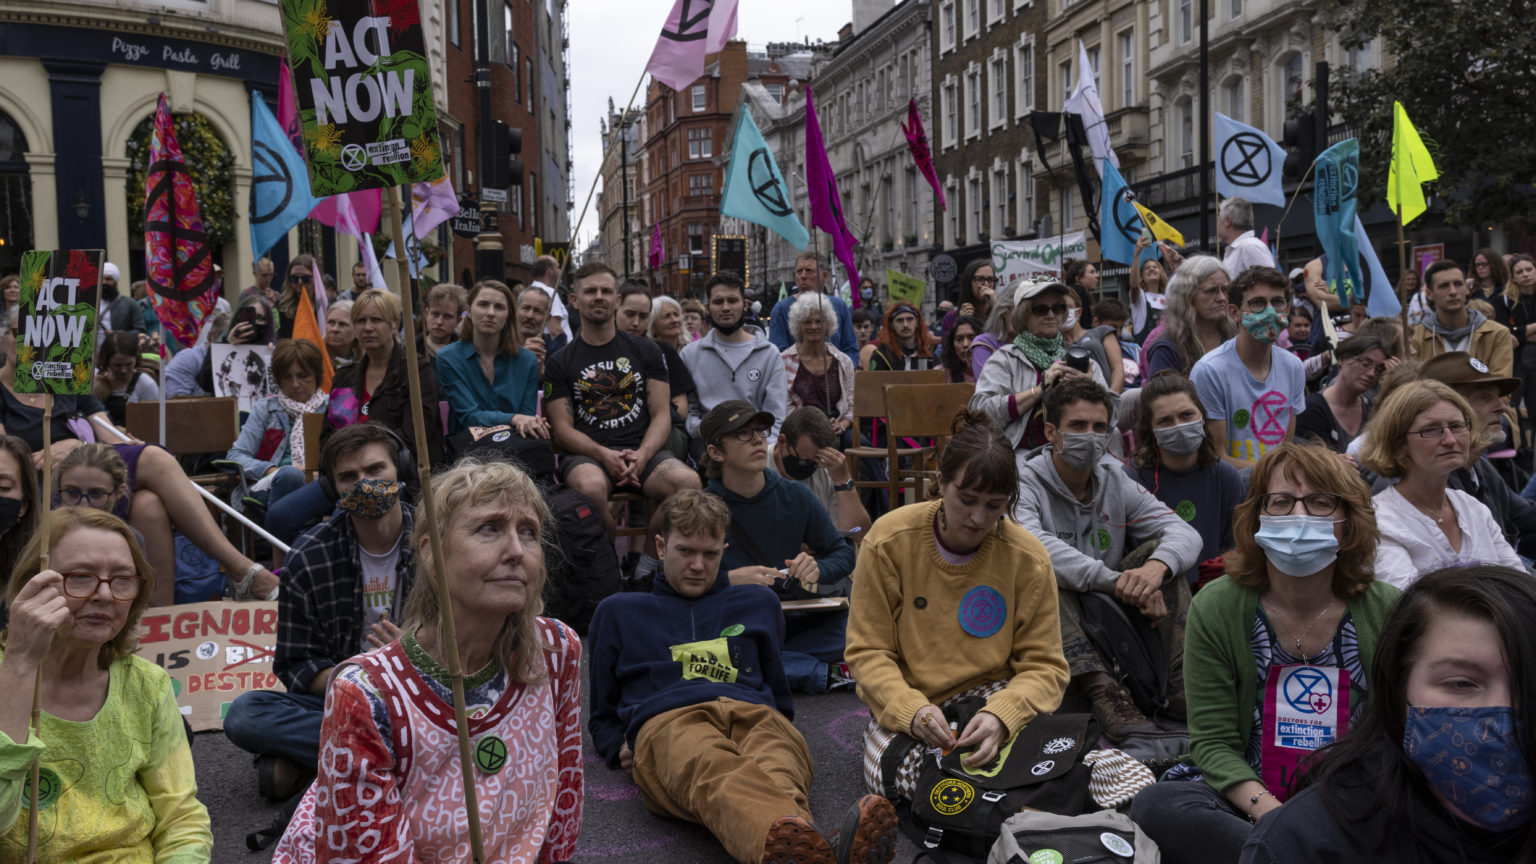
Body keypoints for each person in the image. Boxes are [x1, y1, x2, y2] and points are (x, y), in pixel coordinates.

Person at [273, 458, 582, 862]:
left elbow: (561, 813)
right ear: (431, 553)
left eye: (529, 532)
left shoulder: (557, 652)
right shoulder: (365, 694)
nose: (516, 550)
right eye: (489, 527)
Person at [588, 489, 898, 864]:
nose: (698, 565)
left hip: (755, 712)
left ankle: (807, 853)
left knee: (780, 768)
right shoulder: (618, 611)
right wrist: (616, 744)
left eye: (711, 553)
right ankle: (826, 850)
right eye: (686, 551)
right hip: (668, 720)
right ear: (660, 545)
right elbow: (601, 713)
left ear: (725, 549)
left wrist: (780, 725)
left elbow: (778, 694)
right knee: (715, 769)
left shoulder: (758, 602)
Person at [1130, 443, 1400, 864]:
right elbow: (1215, 742)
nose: (1299, 516)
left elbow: (1396, 739)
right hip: (1251, 799)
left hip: (1353, 800)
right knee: (1158, 805)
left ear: (1348, 523)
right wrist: (1275, 817)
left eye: (1320, 502)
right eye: (1281, 502)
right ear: (1257, 517)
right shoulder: (1217, 606)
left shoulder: (1390, 609)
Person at [846, 409, 1071, 800]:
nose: (978, 517)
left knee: (1079, 760)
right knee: (901, 774)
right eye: (966, 500)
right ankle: (1017, 805)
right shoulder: (888, 541)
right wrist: (912, 711)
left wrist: (1003, 714)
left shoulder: (1028, 558)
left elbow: (1045, 666)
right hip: (912, 703)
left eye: (994, 505)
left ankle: (1003, 805)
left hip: (994, 694)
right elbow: (868, 652)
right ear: (940, 483)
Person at [1242, 564, 1536, 863]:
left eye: (1530, 682)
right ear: (1398, 686)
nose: (1505, 711)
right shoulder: (1306, 842)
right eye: (1461, 683)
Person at [0, 305, 281, 600]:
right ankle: (241, 570)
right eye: (21, 333)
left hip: (94, 470)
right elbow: (7, 461)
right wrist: (60, 450)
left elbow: (110, 437)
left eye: (40, 334)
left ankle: (160, 621)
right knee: (155, 460)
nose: (30, 342)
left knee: (149, 503)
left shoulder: (66, 382)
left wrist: (79, 446)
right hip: (43, 485)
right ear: (4, 339)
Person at [0, 507, 213, 860]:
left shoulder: (148, 685)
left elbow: (181, 820)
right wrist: (21, 664)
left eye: (122, 579)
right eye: (80, 576)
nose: (104, 594)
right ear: (33, 585)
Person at [225, 423, 418, 800]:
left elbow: (470, 647)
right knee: (246, 713)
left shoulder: (439, 542)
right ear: (332, 489)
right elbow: (296, 666)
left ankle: (332, 762)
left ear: (401, 469)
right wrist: (363, 678)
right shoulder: (308, 555)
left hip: (425, 689)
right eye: (349, 477)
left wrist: (414, 659)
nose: (364, 484)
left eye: (375, 470)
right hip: (347, 694)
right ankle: (405, 753)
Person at [1014, 378, 1201, 739]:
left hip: (1110, 609)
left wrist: (1154, 569)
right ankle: (1102, 691)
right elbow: (1033, 546)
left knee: (1163, 559)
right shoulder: (1025, 481)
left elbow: (1185, 533)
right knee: (1043, 569)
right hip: (1054, 614)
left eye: (1100, 427)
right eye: (1078, 426)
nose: (1091, 436)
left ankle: (1180, 682)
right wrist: (1117, 582)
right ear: (1051, 432)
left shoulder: (1115, 478)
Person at [702, 401, 857, 692]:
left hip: (796, 618)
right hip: (738, 625)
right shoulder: (703, 507)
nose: (758, 439)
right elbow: (670, 583)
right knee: (699, 651)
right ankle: (826, 674)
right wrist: (727, 580)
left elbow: (844, 552)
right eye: (742, 434)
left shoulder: (795, 495)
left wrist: (817, 569)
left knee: (857, 630)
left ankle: (765, 666)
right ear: (715, 452)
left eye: (759, 430)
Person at [546, 263, 699, 537]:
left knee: (688, 483)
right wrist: (604, 454)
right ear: (574, 299)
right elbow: (562, 430)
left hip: (644, 452)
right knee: (590, 489)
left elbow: (662, 414)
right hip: (587, 456)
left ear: (616, 300)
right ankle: (608, 566)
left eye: (606, 291)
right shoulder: (559, 362)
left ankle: (649, 564)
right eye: (590, 291)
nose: (599, 297)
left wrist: (643, 455)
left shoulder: (647, 351)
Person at [1361, 380, 1522, 587]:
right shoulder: (1381, 521)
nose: (1450, 440)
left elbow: (1520, 586)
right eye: (1431, 430)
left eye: (1456, 426)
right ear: (1399, 444)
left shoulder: (1473, 509)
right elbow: (1410, 608)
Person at [1126, 373, 1247, 589]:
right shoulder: (1131, 480)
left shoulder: (1226, 477)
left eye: (1186, 415)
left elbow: (1234, 552)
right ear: (1150, 430)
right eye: (1165, 421)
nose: (1179, 425)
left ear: (1202, 417)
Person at [972, 281, 1114, 449]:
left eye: (1058, 308)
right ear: (1023, 316)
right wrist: (1039, 390)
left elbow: (1113, 418)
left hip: (1079, 450)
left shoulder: (1081, 359)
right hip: (1023, 452)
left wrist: (1090, 388)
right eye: (1041, 310)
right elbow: (980, 413)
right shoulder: (1005, 359)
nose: (1051, 315)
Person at [1191, 265, 1305, 467]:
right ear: (1234, 312)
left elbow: (1287, 448)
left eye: (1277, 302)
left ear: (1287, 309)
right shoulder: (1210, 371)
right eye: (1258, 303)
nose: (1270, 312)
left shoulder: (1293, 367)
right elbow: (1217, 457)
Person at [324, 288, 445, 464]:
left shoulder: (415, 370)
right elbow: (328, 434)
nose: (367, 328)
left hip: (399, 474)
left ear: (394, 324)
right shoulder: (344, 377)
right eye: (360, 320)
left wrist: (363, 454)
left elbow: (414, 437)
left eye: (376, 320)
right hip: (345, 472)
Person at [681, 272, 789, 445]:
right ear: (707, 308)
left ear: (745, 305)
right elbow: (690, 411)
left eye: (732, 301)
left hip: (754, 444)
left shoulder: (769, 354)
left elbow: (775, 415)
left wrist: (765, 450)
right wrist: (701, 430)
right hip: (709, 444)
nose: (725, 307)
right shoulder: (689, 354)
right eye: (718, 302)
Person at [227, 339, 329, 516]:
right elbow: (236, 456)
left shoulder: (332, 407)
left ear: (317, 375)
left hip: (322, 485)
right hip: (272, 486)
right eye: (287, 377)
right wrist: (271, 470)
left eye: (303, 375)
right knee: (291, 476)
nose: (295, 384)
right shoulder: (265, 408)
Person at [434, 280, 546, 439]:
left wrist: (525, 421)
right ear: (469, 311)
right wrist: (513, 418)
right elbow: (469, 417)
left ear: (508, 316)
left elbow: (526, 418)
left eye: (499, 307)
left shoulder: (527, 360)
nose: (491, 313)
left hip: (516, 447)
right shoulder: (448, 358)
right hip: (469, 449)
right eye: (483, 304)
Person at [617, 282, 694, 459]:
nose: (635, 323)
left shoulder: (662, 352)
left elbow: (681, 409)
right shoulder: (597, 350)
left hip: (659, 437)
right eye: (629, 314)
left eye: (643, 316)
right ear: (616, 307)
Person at [773, 406, 872, 537]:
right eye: (804, 461)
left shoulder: (827, 471)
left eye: (817, 461)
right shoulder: (758, 468)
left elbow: (859, 534)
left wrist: (844, 481)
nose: (811, 466)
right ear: (782, 442)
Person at [1410, 259, 1514, 376]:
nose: (1453, 291)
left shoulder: (1497, 334)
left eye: (1458, 284)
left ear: (1466, 289)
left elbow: (1502, 387)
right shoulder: (1415, 338)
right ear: (1429, 294)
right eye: (1444, 286)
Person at [1294, 333, 1393, 453]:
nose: (1372, 373)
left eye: (1379, 369)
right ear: (1342, 359)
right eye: (1365, 364)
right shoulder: (1311, 408)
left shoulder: (1372, 410)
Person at [782, 292, 856, 440]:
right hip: (799, 430)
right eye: (807, 322)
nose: (814, 326)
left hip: (838, 427)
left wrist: (842, 425)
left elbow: (852, 403)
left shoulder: (843, 361)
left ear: (828, 324)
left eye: (819, 321)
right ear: (798, 325)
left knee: (862, 450)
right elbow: (784, 406)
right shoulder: (784, 361)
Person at [768, 252, 858, 356]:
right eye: (799, 271)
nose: (803, 276)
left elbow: (851, 349)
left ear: (824, 276)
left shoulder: (839, 306)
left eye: (809, 271)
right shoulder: (781, 309)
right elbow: (777, 353)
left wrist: (842, 369)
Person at [1499, 254, 1536, 446]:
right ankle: (1520, 451)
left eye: (1529, 269)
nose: (1526, 275)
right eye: (1520, 272)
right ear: (1513, 277)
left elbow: (1518, 332)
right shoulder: (1506, 300)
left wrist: (1521, 332)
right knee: (1512, 406)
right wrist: (1521, 333)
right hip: (1516, 362)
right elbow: (1507, 331)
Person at [1062, 287, 1126, 393]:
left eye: (1068, 307)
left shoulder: (1101, 331)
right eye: (1060, 308)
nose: (1064, 312)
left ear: (1079, 312)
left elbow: (1118, 368)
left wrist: (1112, 398)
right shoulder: (1056, 347)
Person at [92, 331, 159, 427]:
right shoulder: (95, 380)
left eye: (128, 364)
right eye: (117, 365)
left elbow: (154, 424)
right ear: (106, 361)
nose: (123, 370)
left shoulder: (145, 384)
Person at [862, 302, 938, 371]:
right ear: (891, 325)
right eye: (900, 320)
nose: (905, 325)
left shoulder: (928, 353)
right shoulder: (881, 356)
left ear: (917, 322)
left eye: (910, 319)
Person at [968, 281, 1020, 379]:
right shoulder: (985, 344)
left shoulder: (1045, 343)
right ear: (1004, 311)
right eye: (1020, 310)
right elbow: (990, 389)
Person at [1217, 197, 1275, 278]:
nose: (1217, 226)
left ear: (1227, 221)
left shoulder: (1250, 246)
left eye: (1219, 221)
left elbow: (1268, 284)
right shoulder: (1240, 249)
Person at [514, 280, 563, 373]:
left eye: (537, 311)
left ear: (548, 318)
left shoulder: (556, 354)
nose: (530, 316)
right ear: (515, 310)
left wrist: (543, 374)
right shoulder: (500, 345)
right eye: (526, 308)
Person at [1129, 234, 1170, 343]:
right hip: (1146, 354)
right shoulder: (1141, 297)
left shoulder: (1169, 298)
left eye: (1155, 267)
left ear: (1161, 273)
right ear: (1142, 276)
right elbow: (1134, 286)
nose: (1151, 269)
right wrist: (1137, 254)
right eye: (1147, 268)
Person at [943, 259, 997, 334]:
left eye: (990, 279)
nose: (986, 284)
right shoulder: (951, 317)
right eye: (980, 279)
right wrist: (961, 322)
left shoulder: (1000, 313)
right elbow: (947, 344)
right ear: (968, 282)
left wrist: (997, 307)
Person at [274, 254, 318, 340]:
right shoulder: (282, 305)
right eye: (294, 278)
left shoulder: (326, 303)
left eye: (306, 278)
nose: (300, 282)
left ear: (316, 278)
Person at [529, 254, 572, 340]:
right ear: (550, 271)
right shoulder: (549, 292)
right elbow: (555, 330)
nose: (560, 271)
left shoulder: (529, 291)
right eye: (558, 267)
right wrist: (570, 351)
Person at [97, 261, 147, 336]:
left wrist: (118, 335)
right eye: (101, 279)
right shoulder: (89, 304)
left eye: (108, 279)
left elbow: (140, 331)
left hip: (118, 346)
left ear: (116, 282)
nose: (104, 282)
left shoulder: (130, 304)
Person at [421, 282, 467, 356]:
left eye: (447, 316)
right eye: (435, 314)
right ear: (427, 314)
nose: (439, 322)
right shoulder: (410, 349)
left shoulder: (466, 353)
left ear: (458, 320)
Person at [940, 314, 982, 384]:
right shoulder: (942, 374)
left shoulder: (996, 372)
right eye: (959, 339)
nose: (965, 344)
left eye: (971, 338)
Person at [1062, 258, 1099, 329]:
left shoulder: (1085, 295)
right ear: (1078, 278)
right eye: (1092, 272)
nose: (1096, 276)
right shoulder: (1079, 289)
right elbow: (1085, 324)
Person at [323, 298, 355, 370]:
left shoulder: (367, 361)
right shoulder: (315, 357)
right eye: (331, 322)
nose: (335, 329)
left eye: (342, 324)